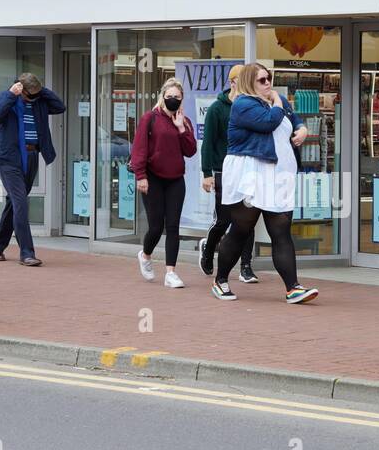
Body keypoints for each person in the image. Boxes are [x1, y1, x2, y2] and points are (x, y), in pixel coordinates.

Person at [211, 63, 318, 304]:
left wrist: (302, 129)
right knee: (241, 230)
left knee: (281, 231)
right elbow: (269, 121)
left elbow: (295, 119)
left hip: (278, 176)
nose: (268, 83)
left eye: (269, 78)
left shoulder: (277, 99)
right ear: (250, 82)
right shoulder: (242, 104)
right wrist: (278, 103)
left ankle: (293, 288)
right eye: (261, 80)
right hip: (250, 173)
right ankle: (221, 280)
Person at [0, 72, 65, 266]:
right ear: (19, 89)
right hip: (9, 158)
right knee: (21, 202)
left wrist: (39, 90)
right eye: (30, 94)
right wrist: (10, 94)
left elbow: (60, 106)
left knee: (14, 203)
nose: (34, 97)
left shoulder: (39, 101)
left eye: (35, 94)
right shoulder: (6, 98)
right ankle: (27, 253)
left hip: (31, 156)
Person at [131, 77, 198, 288]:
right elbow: (139, 149)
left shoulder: (184, 122)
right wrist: (141, 176)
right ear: (162, 97)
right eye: (169, 97)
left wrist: (181, 129)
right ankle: (145, 255)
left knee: (173, 226)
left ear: (182, 99)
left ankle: (171, 272)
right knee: (156, 227)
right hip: (152, 179)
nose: (173, 100)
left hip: (176, 179)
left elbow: (190, 151)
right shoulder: (150, 118)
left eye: (177, 97)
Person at [197, 63, 257, 283]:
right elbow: (208, 143)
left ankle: (246, 266)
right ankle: (208, 248)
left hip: (247, 171)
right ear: (232, 83)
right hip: (223, 170)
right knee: (223, 220)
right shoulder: (217, 109)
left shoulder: (252, 107)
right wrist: (206, 173)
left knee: (247, 219)